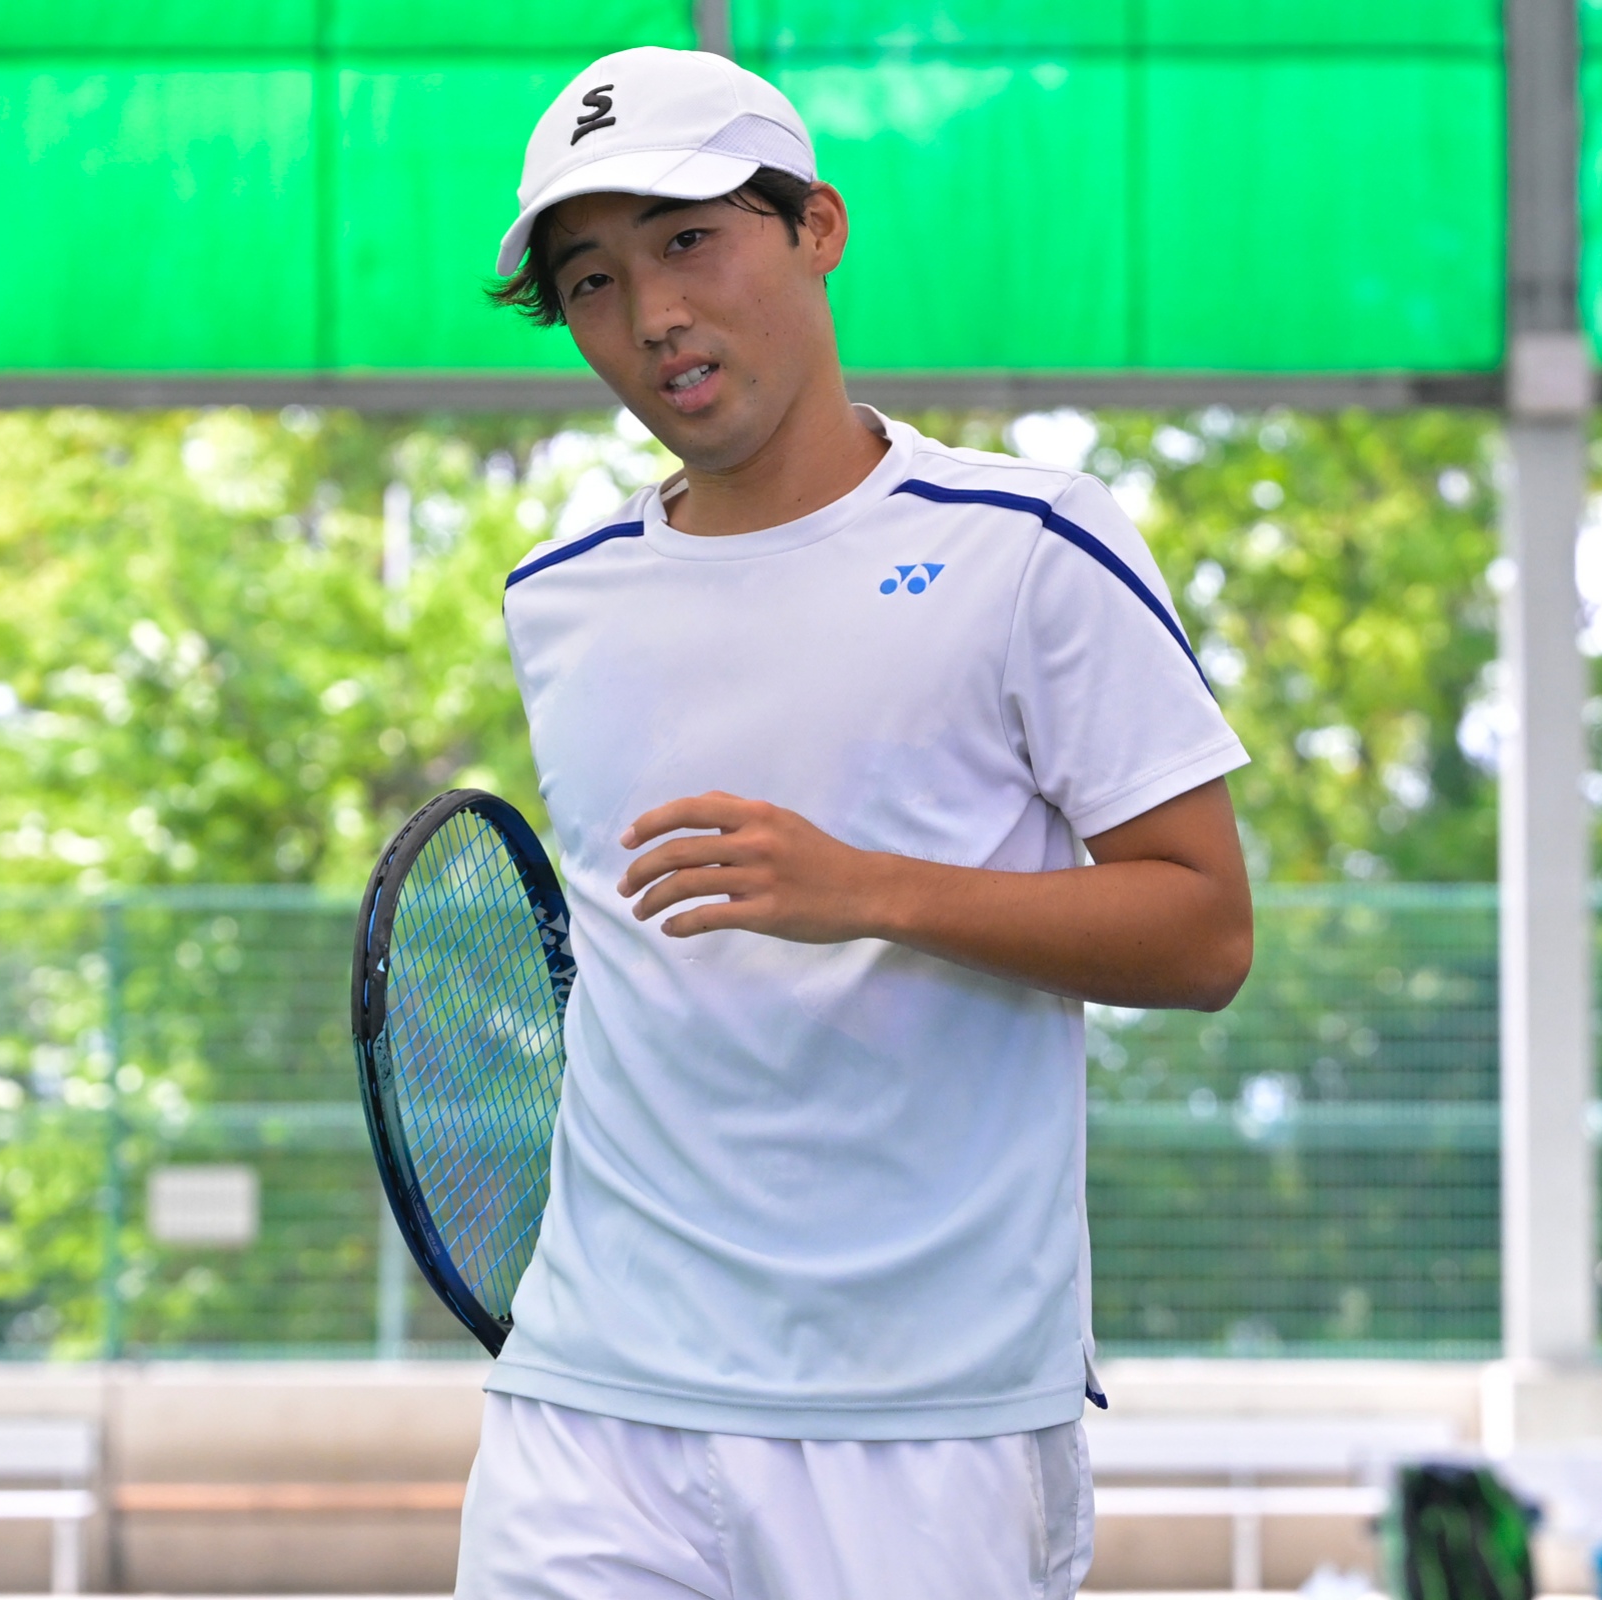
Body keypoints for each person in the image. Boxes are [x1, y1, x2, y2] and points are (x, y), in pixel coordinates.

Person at [464, 44, 1254, 1600]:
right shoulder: (557, 599)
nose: (651, 314)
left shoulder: (1032, 544)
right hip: (589, 1401)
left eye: (689, 241)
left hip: (927, 1429)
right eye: (593, 281)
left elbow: (1203, 931)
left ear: (814, 228)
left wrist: (872, 890)